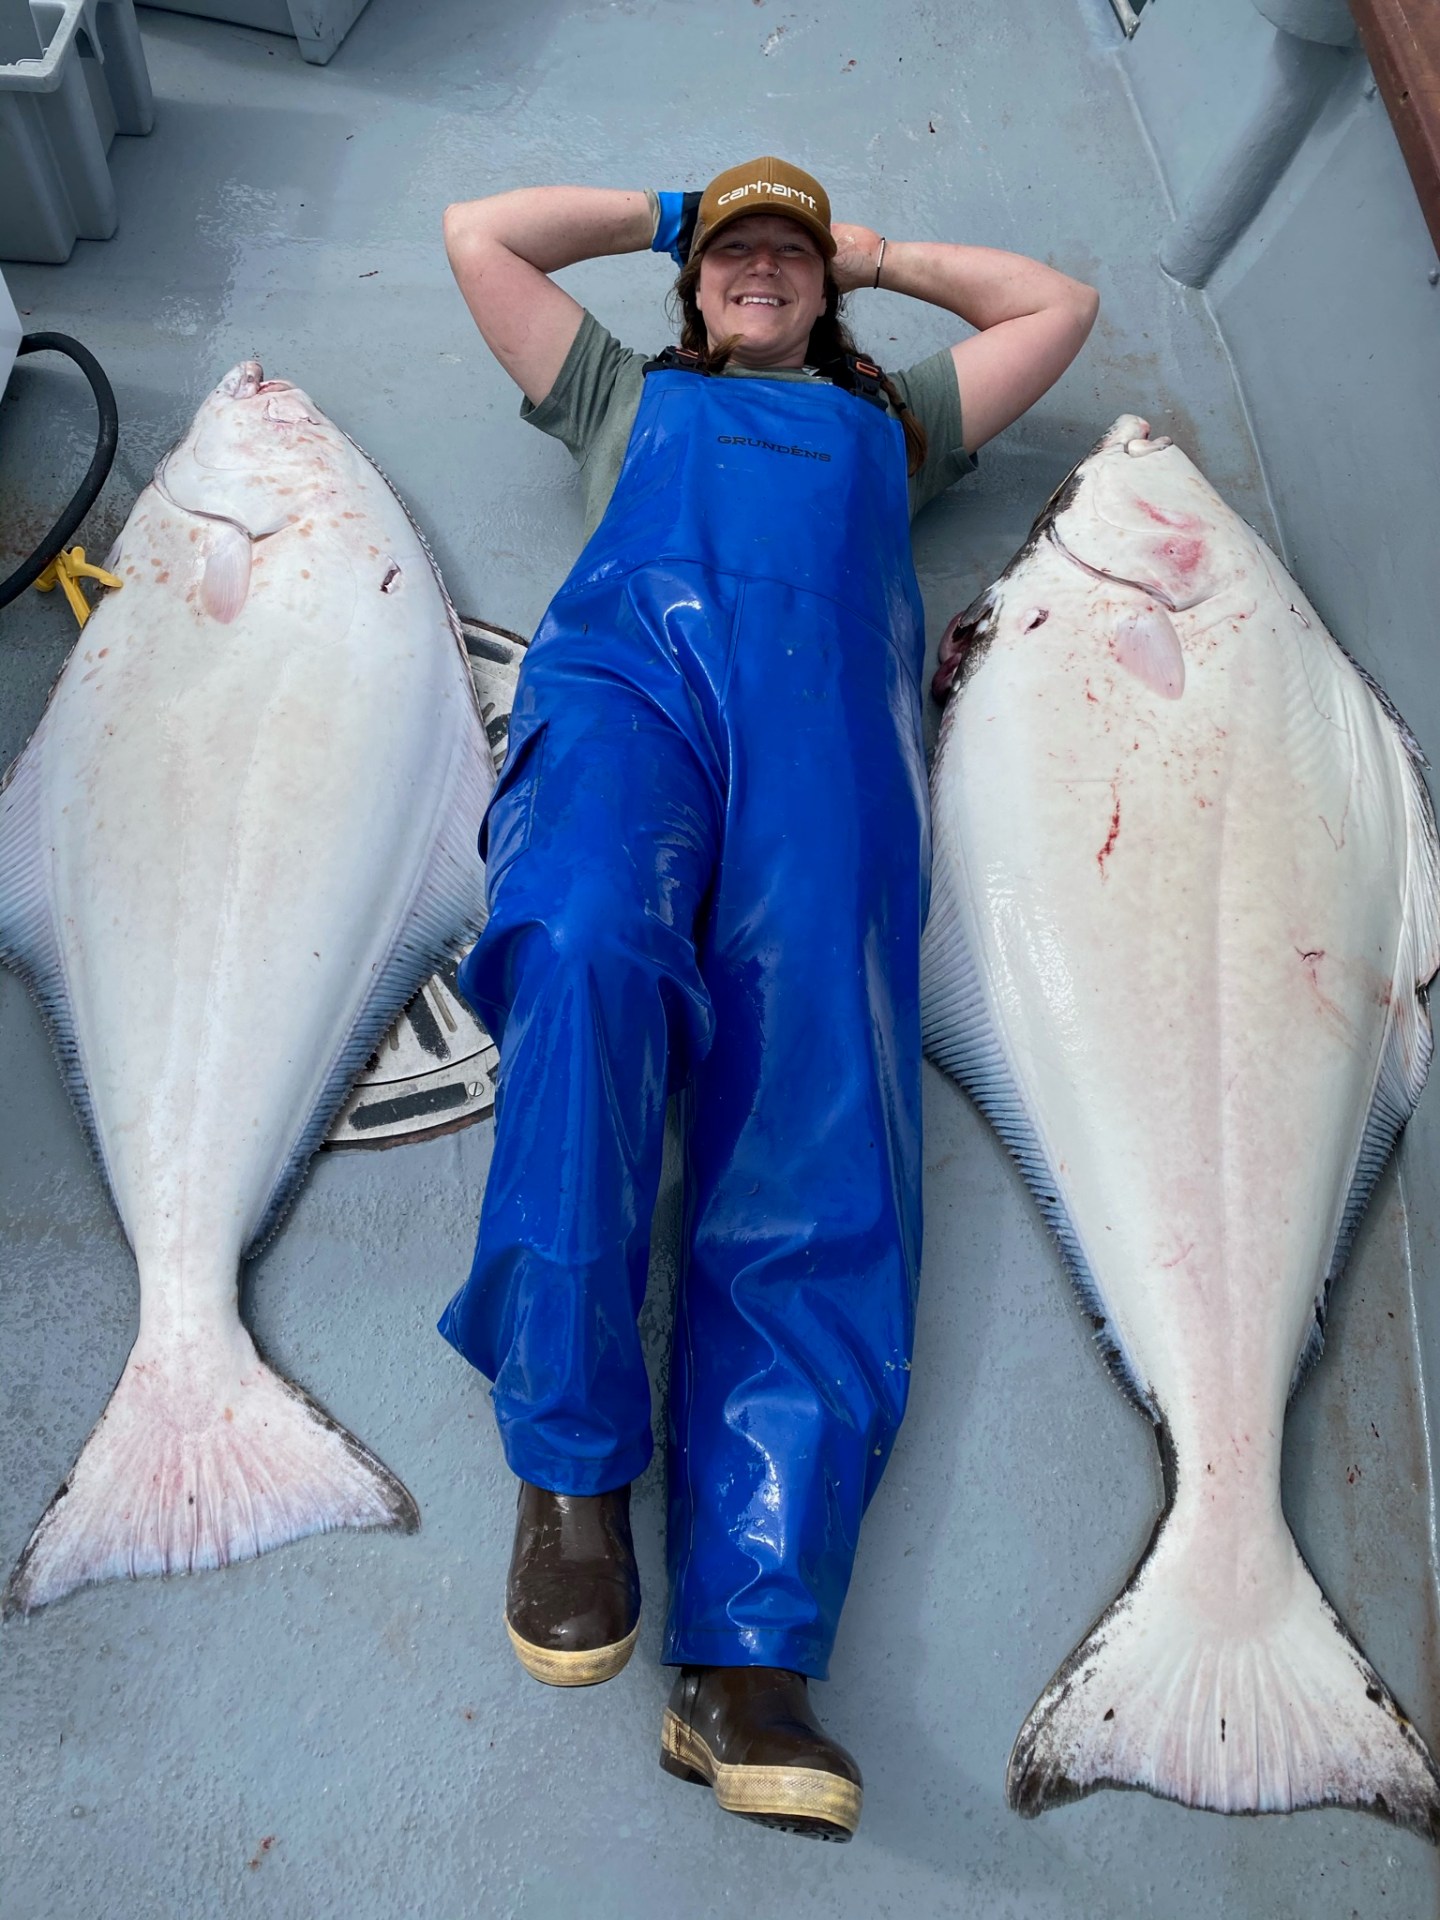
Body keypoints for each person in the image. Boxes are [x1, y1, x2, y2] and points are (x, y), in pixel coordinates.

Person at [438, 158, 1097, 1841]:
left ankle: (750, 1662)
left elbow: (1057, 309)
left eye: (789, 253)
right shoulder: (616, 396)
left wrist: (872, 249)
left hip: (831, 763)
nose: (761, 265)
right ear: (692, 282)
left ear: (826, 288)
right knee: (581, 944)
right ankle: (570, 1471)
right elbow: (479, 238)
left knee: (816, 1133)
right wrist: (678, 206)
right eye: (736, 250)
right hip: (630, 703)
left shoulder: (900, 418)